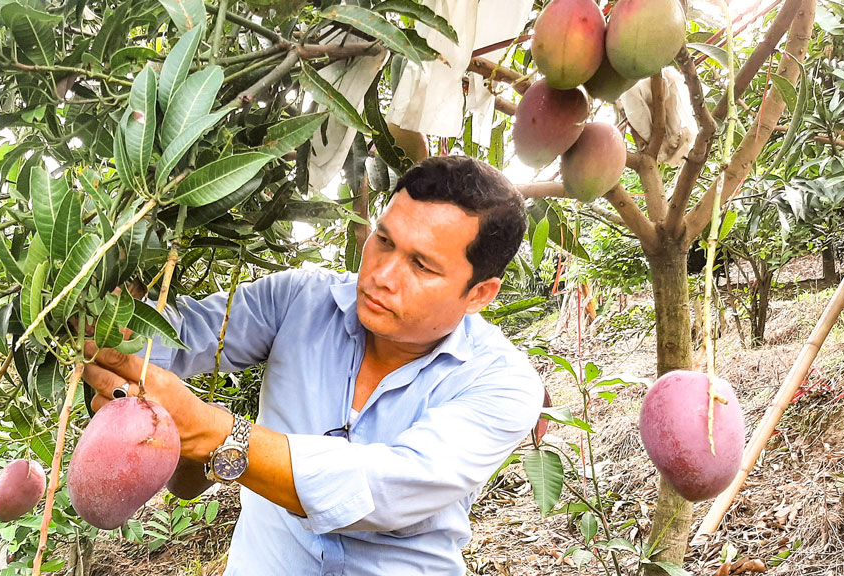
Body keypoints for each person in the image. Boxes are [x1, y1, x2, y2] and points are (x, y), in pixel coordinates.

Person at [81, 155, 546, 575]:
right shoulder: (299, 300)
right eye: (383, 240)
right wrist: (105, 304)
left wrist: (211, 431)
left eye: (421, 266)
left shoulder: (503, 384)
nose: (381, 275)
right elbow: (170, 339)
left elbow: (378, 488)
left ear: (480, 293)